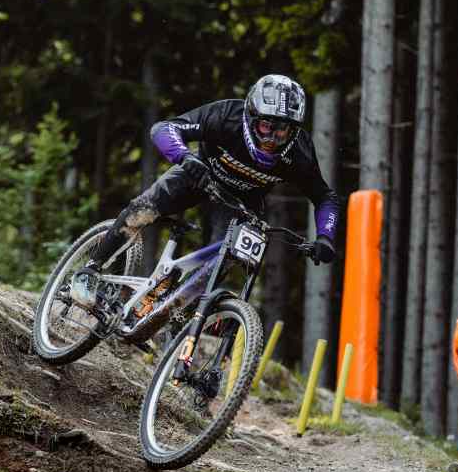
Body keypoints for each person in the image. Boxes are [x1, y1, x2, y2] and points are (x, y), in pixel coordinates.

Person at [71, 73, 340, 308]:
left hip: (241, 202)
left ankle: (175, 312)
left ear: (294, 131)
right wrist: (185, 157)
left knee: (226, 260)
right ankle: (89, 270)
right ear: (251, 117)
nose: (270, 139)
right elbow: (164, 128)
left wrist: (325, 237)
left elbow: (325, 197)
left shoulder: (300, 153)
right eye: (266, 127)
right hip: (199, 176)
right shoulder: (226, 116)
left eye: (281, 131)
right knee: (143, 211)